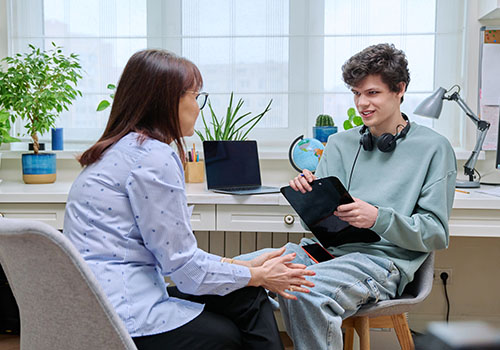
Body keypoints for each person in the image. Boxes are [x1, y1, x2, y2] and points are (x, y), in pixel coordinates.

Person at [63, 49, 315, 350]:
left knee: (248, 297)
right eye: (196, 96)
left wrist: (242, 269)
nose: (198, 107)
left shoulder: (113, 150)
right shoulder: (152, 156)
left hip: (98, 303)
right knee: (230, 332)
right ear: (168, 100)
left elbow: (174, 258)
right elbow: (185, 271)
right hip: (124, 315)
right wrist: (258, 274)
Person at [237, 43, 457, 349]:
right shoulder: (340, 144)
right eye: (356, 93)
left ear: (399, 89)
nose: (362, 103)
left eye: (372, 93)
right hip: (322, 253)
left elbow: (436, 234)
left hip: (380, 262)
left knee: (304, 290)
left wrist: (378, 218)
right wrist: (310, 200)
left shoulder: (434, 148)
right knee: (233, 273)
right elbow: (317, 228)